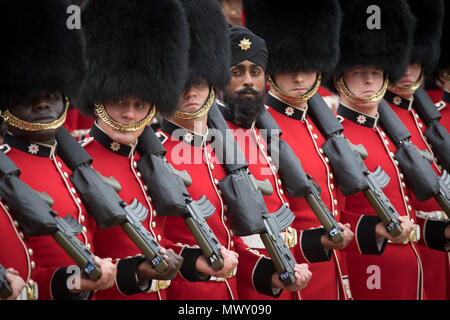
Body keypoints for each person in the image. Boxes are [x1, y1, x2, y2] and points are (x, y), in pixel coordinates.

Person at [158, 0, 311, 300]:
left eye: (200, 83)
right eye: (237, 72)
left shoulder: (219, 150)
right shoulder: (161, 154)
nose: (191, 92)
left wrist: (272, 276)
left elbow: (231, 236)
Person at [217, 25, 351, 300]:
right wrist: (268, 273)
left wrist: (317, 241)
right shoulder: (213, 140)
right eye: (236, 72)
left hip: (295, 270)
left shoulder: (262, 130)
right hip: (256, 285)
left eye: (255, 72)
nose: (248, 81)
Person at [329, 0, 450, 300]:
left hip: (414, 268)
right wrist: (375, 230)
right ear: (341, 76)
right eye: (358, 72)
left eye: (376, 71)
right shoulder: (333, 134)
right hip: (368, 270)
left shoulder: (389, 131)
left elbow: (409, 206)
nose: (369, 80)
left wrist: (440, 232)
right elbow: (334, 213)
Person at [0, 0, 116, 300]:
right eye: (28, 95)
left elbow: (51, 279)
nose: (41, 105)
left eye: (51, 94)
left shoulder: (70, 166)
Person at [75, 0, 191, 300]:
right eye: (119, 102)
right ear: (99, 100)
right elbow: (74, 267)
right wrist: (134, 272)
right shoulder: (76, 165)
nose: (129, 114)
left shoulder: (147, 162)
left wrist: (192, 261)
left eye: (140, 105)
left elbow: (162, 236)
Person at [381, 0, 449, 300]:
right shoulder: (379, 124)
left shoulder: (429, 116)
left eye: (415, 62)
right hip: (406, 255)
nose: (407, 71)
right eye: (401, 62)